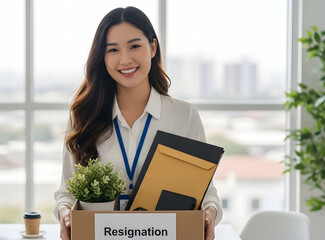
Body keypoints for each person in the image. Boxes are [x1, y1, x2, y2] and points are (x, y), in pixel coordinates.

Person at [54, 6, 223, 240]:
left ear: (152, 47)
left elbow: (205, 192)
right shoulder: (84, 117)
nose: (125, 59)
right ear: (102, 58)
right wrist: (64, 213)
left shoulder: (184, 116)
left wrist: (210, 213)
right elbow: (66, 194)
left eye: (135, 46)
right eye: (113, 50)